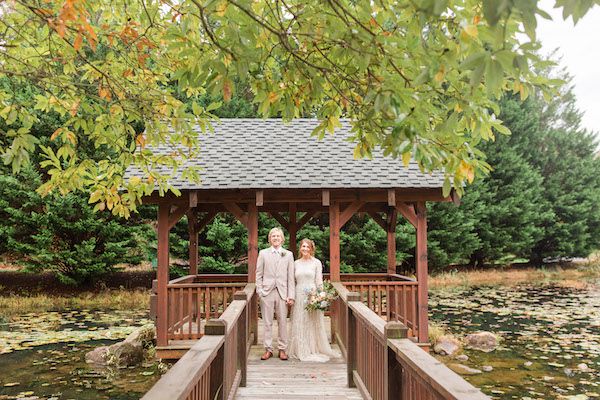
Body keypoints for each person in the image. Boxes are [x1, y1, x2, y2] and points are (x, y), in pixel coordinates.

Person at [288, 238, 339, 362]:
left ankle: (313, 348)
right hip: (299, 294)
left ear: (311, 249)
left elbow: (319, 281)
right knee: (300, 321)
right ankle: (300, 348)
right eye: (303, 246)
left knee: (312, 322)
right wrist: (292, 296)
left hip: (312, 294)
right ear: (300, 248)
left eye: (307, 247)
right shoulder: (295, 263)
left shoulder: (316, 263)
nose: (305, 249)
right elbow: (291, 282)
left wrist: (321, 296)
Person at [255, 227, 295, 360]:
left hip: (283, 293)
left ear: (282, 239)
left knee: (283, 322)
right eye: (273, 236)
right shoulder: (263, 253)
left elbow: (291, 277)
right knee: (267, 322)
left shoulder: (288, 255)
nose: (276, 238)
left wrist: (291, 296)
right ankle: (268, 349)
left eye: (278, 236)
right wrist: (260, 291)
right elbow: (258, 274)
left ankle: (282, 349)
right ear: (270, 239)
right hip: (267, 292)